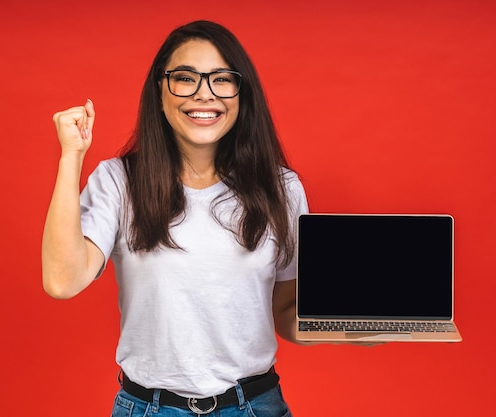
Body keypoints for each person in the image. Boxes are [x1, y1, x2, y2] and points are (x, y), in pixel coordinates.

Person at [42, 20, 308, 417]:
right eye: (185, 78)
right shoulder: (119, 181)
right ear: (160, 93)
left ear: (242, 94)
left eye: (221, 79)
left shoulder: (282, 188)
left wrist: (359, 332)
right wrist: (71, 157)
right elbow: (62, 281)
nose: (204, 94)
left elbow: (287, 315)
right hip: (149, 407)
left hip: (255, 406)